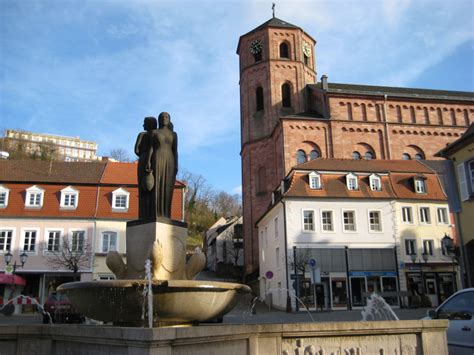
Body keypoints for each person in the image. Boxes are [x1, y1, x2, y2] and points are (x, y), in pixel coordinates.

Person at [146, 112, 178, 218]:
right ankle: (156, 213)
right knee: (158, 185)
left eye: (166, 117)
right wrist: (148, 161)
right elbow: (151, 147)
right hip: (157, 158)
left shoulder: (174, 134)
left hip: (170, 160)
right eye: (162, 117)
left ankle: (166, 213)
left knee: (168, 186)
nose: (164, 118)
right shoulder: (154, 132)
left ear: (169, 119)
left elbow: (175, 150)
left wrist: (176, 164)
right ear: (159, 119)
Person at [134, 116, 157, 219]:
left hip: (144, 159)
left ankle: (143, 214)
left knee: (142, 187)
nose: (143, 125)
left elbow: (136, 150)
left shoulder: (142, 135)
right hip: (155, 160)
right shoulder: (157, 134)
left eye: (145, 123)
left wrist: (145, 155)